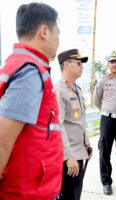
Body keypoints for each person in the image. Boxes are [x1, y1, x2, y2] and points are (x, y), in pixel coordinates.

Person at [0, 3, 63, 199]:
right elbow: (2, 139)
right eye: (57, 34)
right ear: (44, 31)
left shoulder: (21, 65)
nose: (58, 41)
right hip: (27, 191)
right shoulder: (30, 71)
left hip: (33, 186)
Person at [55, 49, 93, 200]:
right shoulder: (59, 89)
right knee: (69, 195)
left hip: (79, 152)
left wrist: (86, 144)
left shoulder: (76, 88)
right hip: (68, 157)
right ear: (67, 64)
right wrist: (68, 156)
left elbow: (79, 121)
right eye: (78, 63)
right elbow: (58, 124)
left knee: (75, 194)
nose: (81, 66)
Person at [93, 51, 116, 195]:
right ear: (108, 64)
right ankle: (106, 182)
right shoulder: (103, 81)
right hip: (107, 120)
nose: (114, 64)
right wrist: (106, 110)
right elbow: (96, 100)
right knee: (105, 151)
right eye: (111, 62)